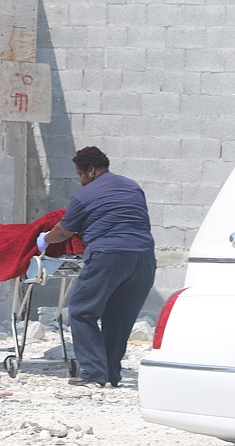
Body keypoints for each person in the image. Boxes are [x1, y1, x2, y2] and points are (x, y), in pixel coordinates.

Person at [36, 146, 156, 388]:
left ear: (90, 171)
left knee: (82, 311)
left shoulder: (84, 195)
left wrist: (44, 239)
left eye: (80, 174)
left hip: (108, 256)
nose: (80, 180)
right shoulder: (132, 186)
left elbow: (63, 231)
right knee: (119, 317)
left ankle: (92, 372)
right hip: (143, 258)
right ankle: (110, 373)